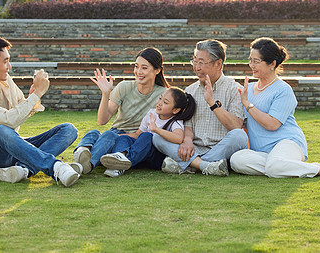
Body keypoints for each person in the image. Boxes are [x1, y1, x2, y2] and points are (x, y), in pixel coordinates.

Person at [230, 37, 320, 178]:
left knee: (274, 166)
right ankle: (287, 167)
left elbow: (272, 124)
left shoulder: (283, 90)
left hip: (287, 143)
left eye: (256, 61)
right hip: (262, 152)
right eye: (250, 60)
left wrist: (247, 104)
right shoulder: (248, 90)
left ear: (272, 63)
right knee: (237, 160)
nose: (251, 65)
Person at [0, 35, 82, 187]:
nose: (9, 66)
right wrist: (37, 94)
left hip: (12, 148)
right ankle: (56, 167)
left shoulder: (6, 80)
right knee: (1, 131)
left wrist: (32, 96)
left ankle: (23, 169)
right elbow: (9, 120)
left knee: (68, 130)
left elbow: (21, 106)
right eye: (5, 61)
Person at [153, 39, 248, 176]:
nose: (196, 67)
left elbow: (235, 126)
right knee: (157, 137)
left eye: (201, 63)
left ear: (218, 64)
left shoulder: (234, 89)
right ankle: (206, 166)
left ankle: (189, 165)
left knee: (239, 136)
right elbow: (188, 123)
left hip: (221, 147)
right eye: (195, 61)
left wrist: (212, 103)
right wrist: (187, 141)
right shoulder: (190, 90)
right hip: (194, 148)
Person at [73, 47, 169, 177]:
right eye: (136, 66)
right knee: (96, 133)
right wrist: (105, 94)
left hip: (138, 140)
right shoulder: (124, 87)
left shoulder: (163, 95)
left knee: (131, 138)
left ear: (157, 70)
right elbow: (102, 120)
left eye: (144, 68)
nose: (138, 72)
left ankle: (89, 161)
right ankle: (84, 158)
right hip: (116, 135)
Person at [100, 87, 196, 177]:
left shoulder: (175, 121)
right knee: (125, 138)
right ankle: (119, 158)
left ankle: (121, 164)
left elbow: (179, 138)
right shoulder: (151, 113)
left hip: (156, 157)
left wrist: (156, 130)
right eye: (160, 98)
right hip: (141, 155)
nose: (159, 103)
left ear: (175, 110)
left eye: (165, 102)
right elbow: (137, 134)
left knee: (147, 136)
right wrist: (117, 136)